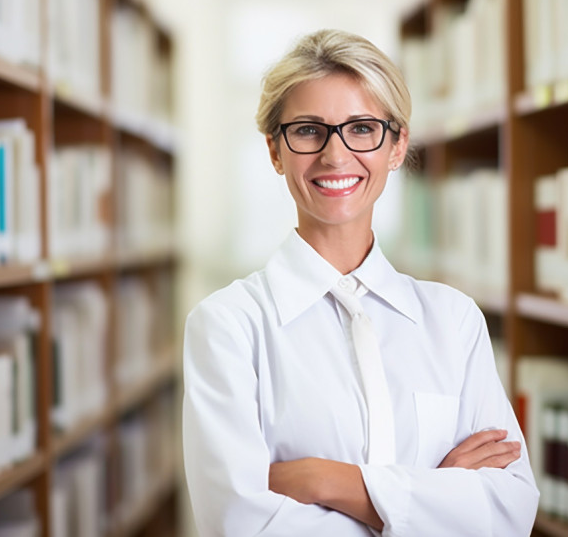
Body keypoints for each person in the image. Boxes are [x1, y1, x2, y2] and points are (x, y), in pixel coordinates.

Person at [182, 29, 539, 536]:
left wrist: (324, 480)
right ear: (275, 151)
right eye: (308, 130)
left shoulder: (453, 321)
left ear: (397, 146)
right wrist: (435, 496)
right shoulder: (228, 327)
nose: (335, 155)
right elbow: (240, 524)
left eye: (363, 128)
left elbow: (510, 511)